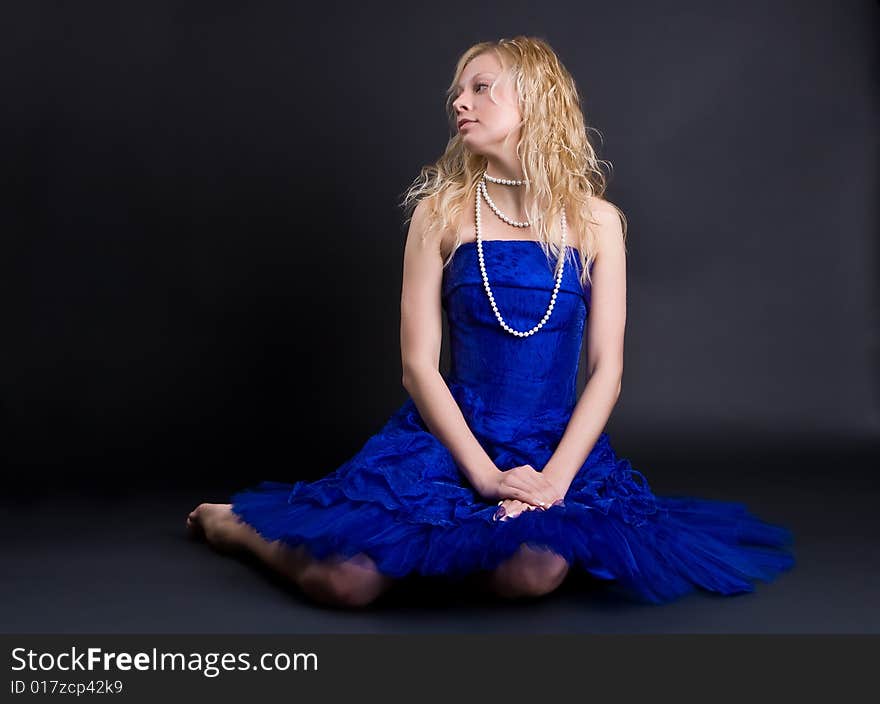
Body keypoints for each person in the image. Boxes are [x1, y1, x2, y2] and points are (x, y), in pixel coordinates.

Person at [186, 36, 795, 608]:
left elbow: (608, 371)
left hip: (549, 446)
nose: (459, 101)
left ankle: (453, 550)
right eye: (458, 90)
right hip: (454, 438)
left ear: (534, 99)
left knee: (532, 572)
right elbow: (417, 365)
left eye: (481, 88)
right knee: (344, 582)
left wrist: (552, 483)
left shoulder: (596, 222)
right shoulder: (439, 214)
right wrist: (483, 474)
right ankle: (236, 527)